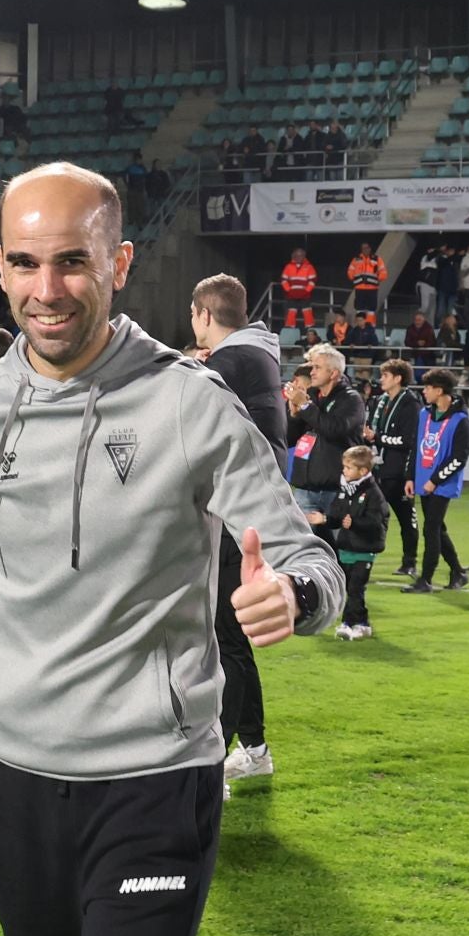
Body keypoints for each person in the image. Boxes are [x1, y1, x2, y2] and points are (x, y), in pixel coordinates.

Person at [0, 163, 343, 936]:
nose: (47, 290)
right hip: (12, 786)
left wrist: (296, 597)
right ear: (0, 267)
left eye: (72, 263)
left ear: (118, 261)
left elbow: (302, 553)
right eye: (25, 264)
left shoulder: (189, 403)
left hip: (153, 787)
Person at [188, 274, 285, 791]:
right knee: (231, 640)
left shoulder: (230, 363)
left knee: (226, 643)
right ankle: (255, 748)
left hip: (235, 520)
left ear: (204, 314)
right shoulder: (253, 359)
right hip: (247, 516)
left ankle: (215, 758)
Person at [399, 368, 469, 594]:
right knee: (438, 529)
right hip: (423, 482)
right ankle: (458, 571)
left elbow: (459, 458)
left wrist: (436, 479)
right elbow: (415, 447)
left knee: (431, 529)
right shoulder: (424, 414)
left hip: (442, 485)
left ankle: (426, 579)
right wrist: (411, 476)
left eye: (428, 387)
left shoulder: (461, 421)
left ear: (439, 391)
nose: (424, 391)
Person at [314, 445, 388, 640]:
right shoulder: (345, 489)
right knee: (350, 589)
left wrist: (355, 523)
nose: (344, 471)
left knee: (355, 588)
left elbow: (377, 523)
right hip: (347, 547)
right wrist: (324, 520)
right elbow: (337, 515)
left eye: (348, 467)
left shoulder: (373, 494)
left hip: (365, 549)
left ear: (363, 471)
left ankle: (348, 623)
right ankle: (362, 623)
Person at [285, 344, 364, 524]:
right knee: (303, 550)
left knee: (338, 548)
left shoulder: (351, 400)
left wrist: (305, 407)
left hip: (337, 491)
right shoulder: (310, 396)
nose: (312, 372)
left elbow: (334, 429)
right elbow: (289, 438)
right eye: (312, 367)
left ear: (334, 373)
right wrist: (294, 416)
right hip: (305, 489)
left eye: (317, 367)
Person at [364, 358, 422, 575]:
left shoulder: (411, 405)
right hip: (378, 469)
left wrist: (377, 438)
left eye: (386, 376)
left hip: (399, 472)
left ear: (398, 378)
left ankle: (410, 562)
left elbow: (408, 440)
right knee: (373, 515)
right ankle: (366, 558)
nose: (381, 380)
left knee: (407, 518)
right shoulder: (381, 402)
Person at [347, 242, 386, 326]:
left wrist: (378, 279)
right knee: (359, 309)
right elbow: (350, 271)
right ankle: (359, 326)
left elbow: (383, 272)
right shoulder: (356, 259)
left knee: (371, 310)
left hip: (372, 289)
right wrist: (354, 278)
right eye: (363, 248)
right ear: (361, 249)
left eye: (367, 247)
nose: (365, 249)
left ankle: (371, 326)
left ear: (370, 248)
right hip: (360, 288)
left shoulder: (377, 259)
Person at [280, 247, 316, 331]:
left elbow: (313, 280)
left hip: (305, 295)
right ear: (294, 256)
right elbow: (283, 280)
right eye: (297, 255)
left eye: (301, 255)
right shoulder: (288, 267)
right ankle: (290, 329)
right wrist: (289, 290)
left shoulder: (309, 267)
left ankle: (310, 329)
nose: (299, 257)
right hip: (291, 295)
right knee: (291, 312)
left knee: (307, 311)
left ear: (304, 256)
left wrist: (306, 291)